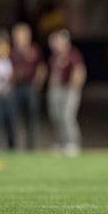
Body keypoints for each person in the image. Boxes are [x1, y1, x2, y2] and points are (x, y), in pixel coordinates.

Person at [47, 29, 86, 157]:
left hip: (69, 89)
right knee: (56, 116)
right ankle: (62, 142)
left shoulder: (73, 54)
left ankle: (73, 143)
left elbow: (80, 70)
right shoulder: (55, 56)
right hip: (56, 89)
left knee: (67, 115)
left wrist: (74, 87)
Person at [10, 23, 47, 150]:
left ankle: (31, 146)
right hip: (15, 87)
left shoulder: (34, 50)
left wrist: (37, 84)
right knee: (13, 117)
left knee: (31, 117)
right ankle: (13, 145)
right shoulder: (11, 51)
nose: (18, 38)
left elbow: (42, 67)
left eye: (21, 35)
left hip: (29, 87)